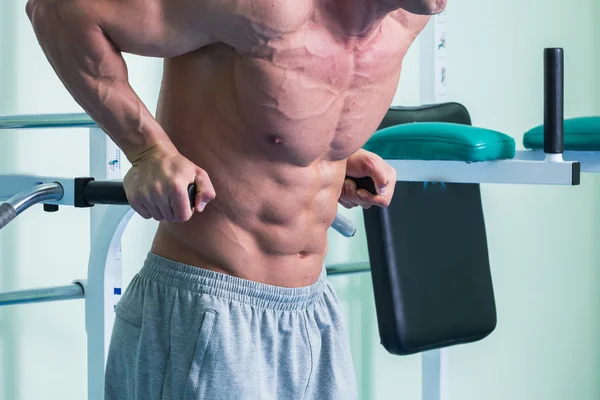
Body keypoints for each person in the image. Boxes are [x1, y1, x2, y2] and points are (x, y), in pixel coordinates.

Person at [26, 0, 446, 398]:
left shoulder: (406, 18)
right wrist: (148, 150)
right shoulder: (264, 9)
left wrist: (334, 158)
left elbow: (285, 111)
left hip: (314, 317)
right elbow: (60, 12)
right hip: (208, 313)